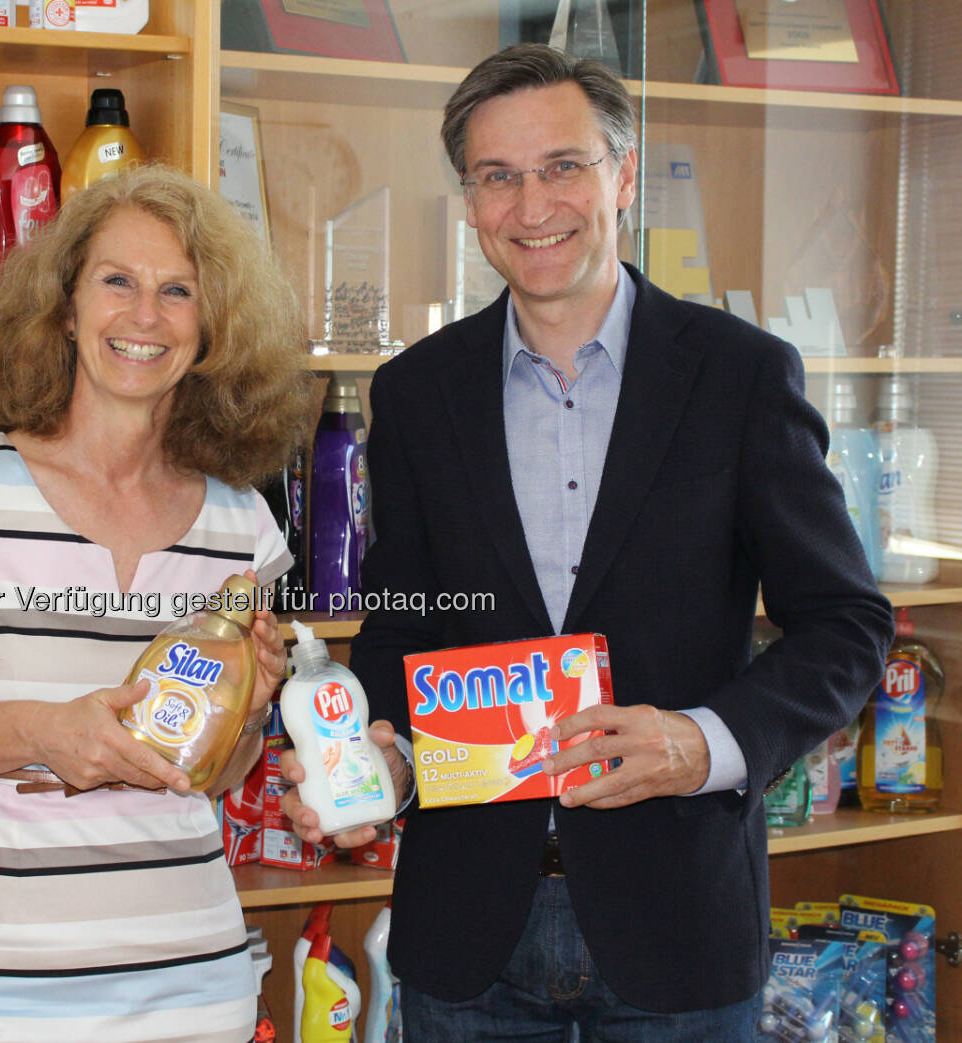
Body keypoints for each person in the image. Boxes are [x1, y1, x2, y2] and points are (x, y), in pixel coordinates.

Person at [280, 43, 893, 1039]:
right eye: (498, 177)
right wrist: (381, 769)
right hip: (466, 925)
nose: (533, 207)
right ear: (470, 202)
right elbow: (405, 625)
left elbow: (847, 624)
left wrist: (702, 742)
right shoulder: (418, 392)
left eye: (563, 165)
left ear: (624, 173)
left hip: (680, 921)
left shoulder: (739, 376)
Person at [0, 164, 314, 1042]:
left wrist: (245, 709)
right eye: (117, 281)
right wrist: (43, 731)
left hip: (192, 986)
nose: (144, 316)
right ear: (64, 305)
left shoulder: (243, 523)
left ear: (211, 330)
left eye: (178, 291)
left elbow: (223, 771)